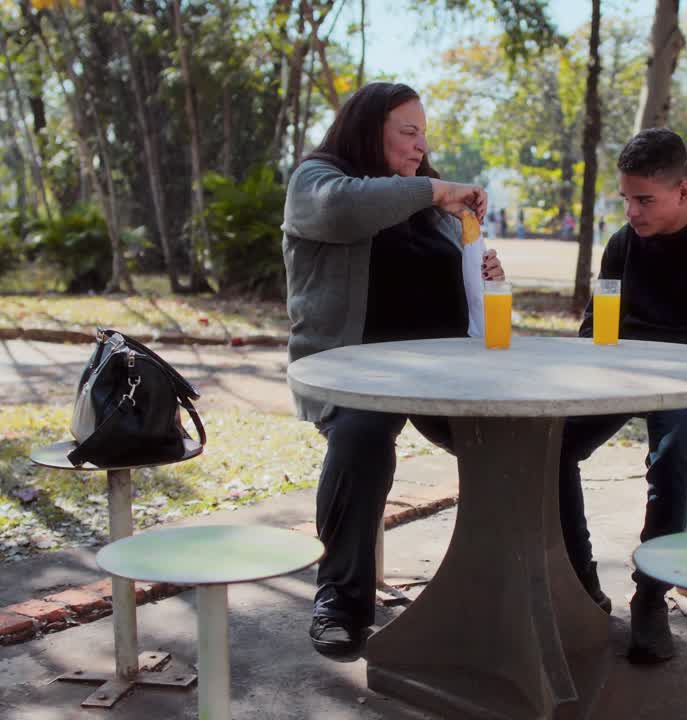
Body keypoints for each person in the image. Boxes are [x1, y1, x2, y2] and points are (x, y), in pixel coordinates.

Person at [281, 82, 505, 655]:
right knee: (361, 435)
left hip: (440, 374)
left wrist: (480, 270)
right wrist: (434, 189)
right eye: (408, 132)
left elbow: (462, 287)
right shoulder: (316, 179)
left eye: (423, 135)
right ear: (367, 127)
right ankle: (341, 598)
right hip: (354, 373)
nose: (419, 145)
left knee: (526, 432)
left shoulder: (431, 208)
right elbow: (343, 209)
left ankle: (543, 581)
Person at [557, 128, 687, 664]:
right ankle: (581, 582)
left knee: (671, 456)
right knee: (552, 446)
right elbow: (592, 330)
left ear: (683, 191)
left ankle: (651, 595)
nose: (633, 211)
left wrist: (643, 349)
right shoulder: (624, 245)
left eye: (645, 199)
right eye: (626, 198)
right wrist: (606, 355)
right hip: (626, 377)